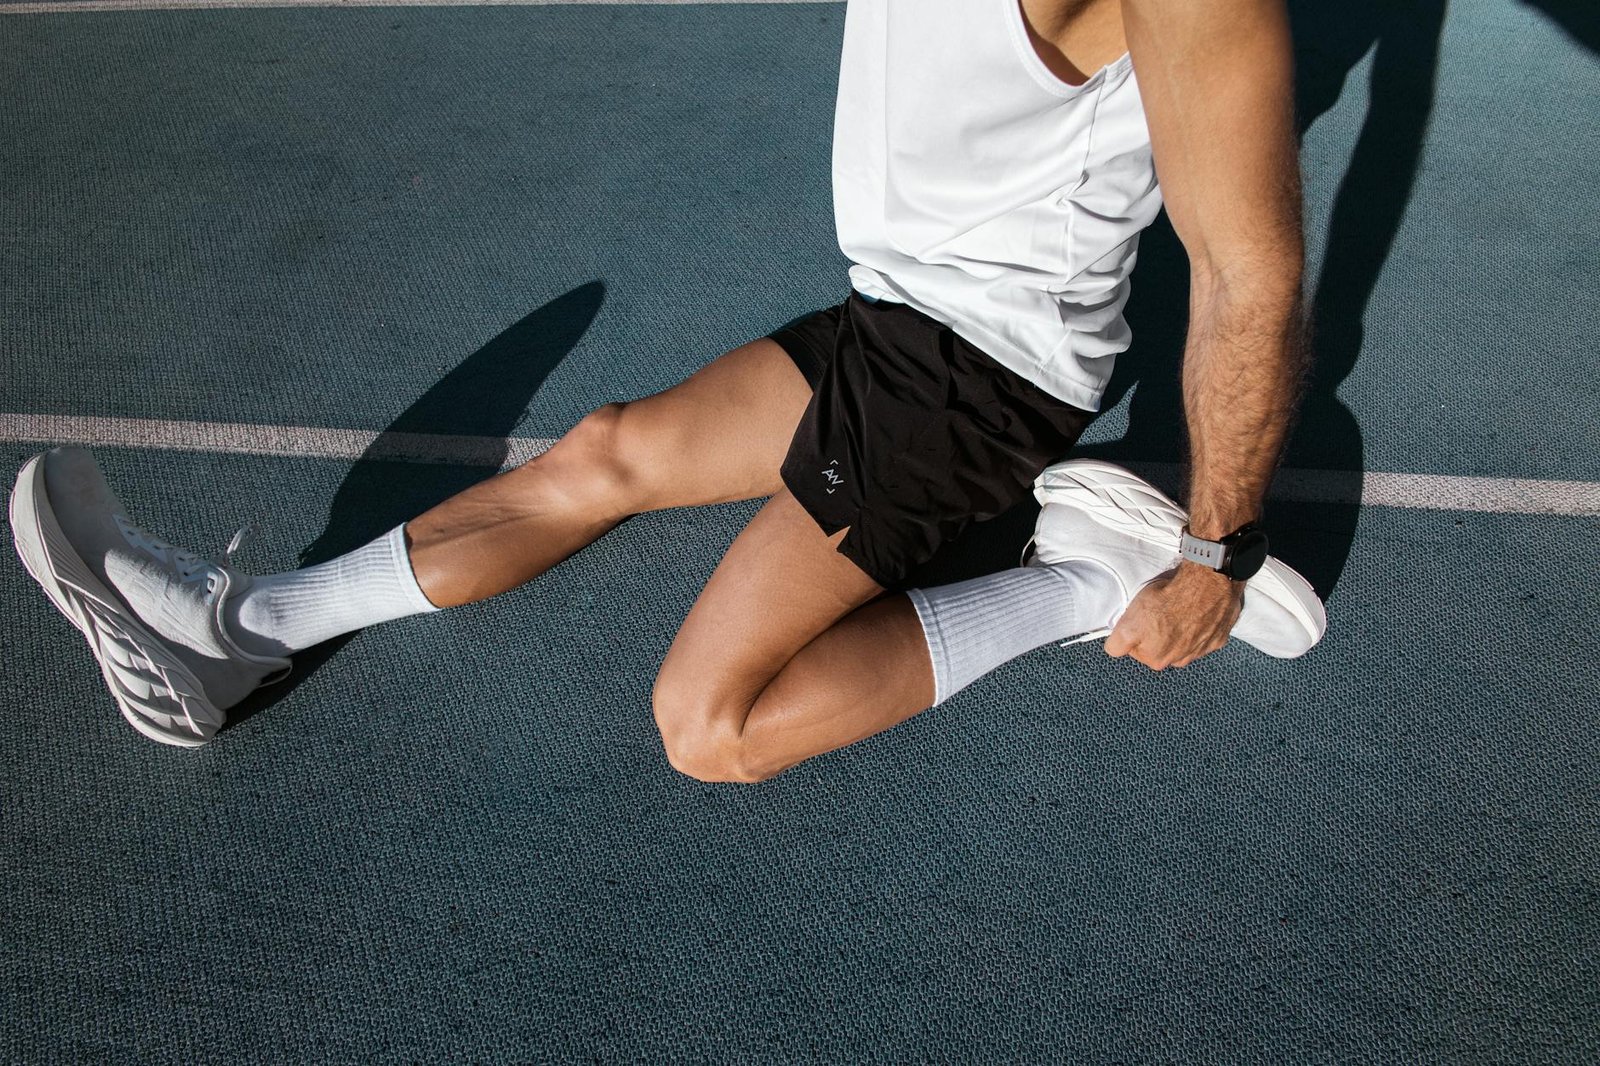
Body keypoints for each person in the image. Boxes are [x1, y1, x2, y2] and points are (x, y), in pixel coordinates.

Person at [9, 0, 1325, 778]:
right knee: (606, 452)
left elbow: (1247, 277)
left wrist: (1215, 549)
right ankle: (241, 632)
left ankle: (1093, 574)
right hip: (896, 311)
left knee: (711, 725)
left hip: (980, 375)